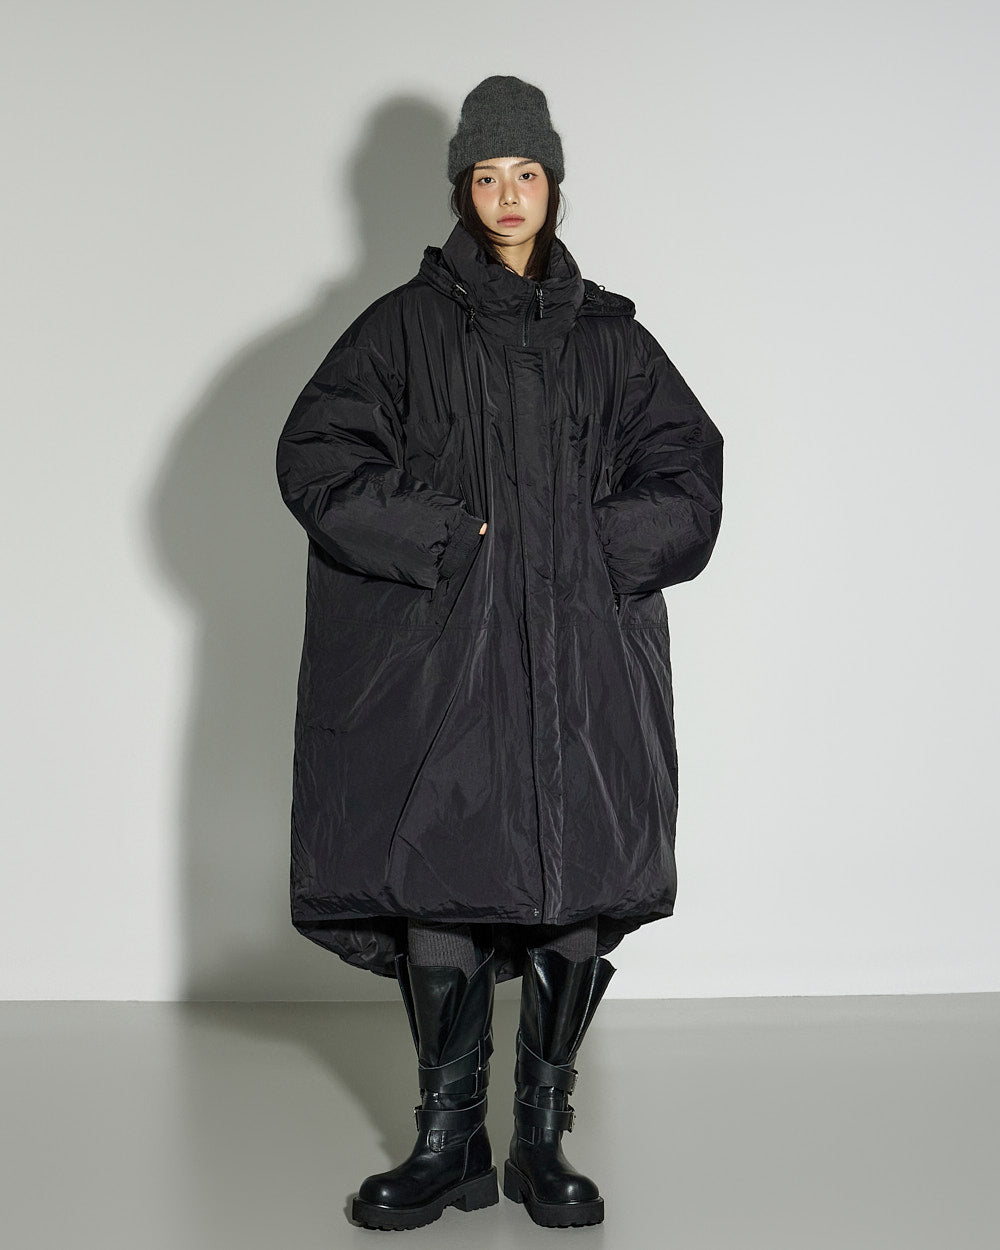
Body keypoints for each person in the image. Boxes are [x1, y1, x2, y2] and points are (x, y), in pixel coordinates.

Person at [275, 75, 724, 1231]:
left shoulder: (613, 340)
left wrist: (600, 544)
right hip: (449, 662)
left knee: (576, 883)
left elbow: (688, 473)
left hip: (581, 662)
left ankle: (540, 1139)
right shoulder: (401, 329)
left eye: (526, 173)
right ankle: (447, 1142)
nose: (509, 194)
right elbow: (317, 457)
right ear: (463, 191)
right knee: (442, 876)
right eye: (487, 175)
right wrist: (442, 540)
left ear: (553, 184)